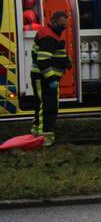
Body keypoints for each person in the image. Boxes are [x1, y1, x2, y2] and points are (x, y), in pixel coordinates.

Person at [30, 11, 70, 146]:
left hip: (43, 77)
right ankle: (44, 139)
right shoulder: (49, 36)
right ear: (54, 21)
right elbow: (43, 61)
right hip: (44, 78)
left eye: (65, 24)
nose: (63, 26)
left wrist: (65, 61)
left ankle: (37, 134)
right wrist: (51, 78)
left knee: (42, 106)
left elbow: (52, 54)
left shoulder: (49, 32)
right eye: (62, 24)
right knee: (47, 107)